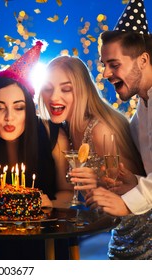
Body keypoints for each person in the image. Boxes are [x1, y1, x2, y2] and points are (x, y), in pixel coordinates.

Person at [38, 54, 148, 260]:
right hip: (119, 237)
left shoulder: (101, 131)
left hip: (143, 239)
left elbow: (136, 193)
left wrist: (97, 185)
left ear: (82, 91)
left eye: (66, 89)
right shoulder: (64, 130)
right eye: (48, 88)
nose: (54, 97)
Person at [0, 76, 74, 259]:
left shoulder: (52, 135)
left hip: (47, 240)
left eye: (18, 107)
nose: (9, 117)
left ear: (28, 110)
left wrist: (51, 203)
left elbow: (68, 192)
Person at [84, 30, 152, 259]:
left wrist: (126, 203)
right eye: (104, 65)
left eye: (114, 64)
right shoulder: (142, 109)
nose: (105, 73)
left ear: (143, 60)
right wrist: (134, 182)